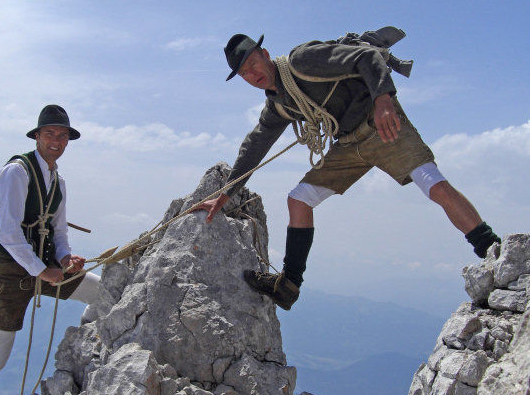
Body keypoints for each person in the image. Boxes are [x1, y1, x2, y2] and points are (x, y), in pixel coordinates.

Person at [195, 31, 500, 312]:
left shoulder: (302, 60)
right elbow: (254, 149)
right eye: (244, 73)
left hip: (381, 125)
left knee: (435, 186)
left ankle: (494, 251)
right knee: (299, 199)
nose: (252, 75)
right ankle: (288, 286)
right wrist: (223, 197)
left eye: (252, 64)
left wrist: (384, 101)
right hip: (348, 145)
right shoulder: (279, 105)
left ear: (264, 53)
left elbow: (365, 58)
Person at [0, 105, 100, 395]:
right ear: (37, 136)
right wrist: (42, 270)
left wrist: (66, 259)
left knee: (100, 292)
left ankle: (84, 344)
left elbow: (60, 232)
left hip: (46, 263)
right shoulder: (17, 172)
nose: (57, 140)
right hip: (10, 269)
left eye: (63, 135)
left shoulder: (58, 182)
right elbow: (8, 232)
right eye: (50, 133)